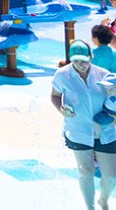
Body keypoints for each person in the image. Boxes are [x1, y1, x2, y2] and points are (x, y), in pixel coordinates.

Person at [51, 40, 116, 210]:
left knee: (111, 176)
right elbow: (55, 96)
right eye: (76, 61)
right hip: (77, 130)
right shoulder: (62, 75)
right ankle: (90, 207)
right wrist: (61, 109)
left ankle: (103, 200)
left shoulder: (104, 75)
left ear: (91, 56)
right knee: (85, 172)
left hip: (105, 131)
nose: (80, 65)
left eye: (84, 60)